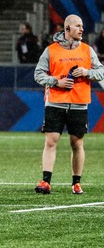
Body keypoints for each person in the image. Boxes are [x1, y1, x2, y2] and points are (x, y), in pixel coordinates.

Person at [34, 14, 104, 195]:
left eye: (82, 26)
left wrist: (87, 72)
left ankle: (76, 183)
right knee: (51, 141)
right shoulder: (51, 50)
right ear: (67, 29)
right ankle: (46, 181)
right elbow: (38, 74)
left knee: (76, 143)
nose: (82, 29)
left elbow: (101, 71)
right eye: (78, 26)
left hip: (79, 103)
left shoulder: (88, 50)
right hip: (55, 102)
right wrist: (56, 82)